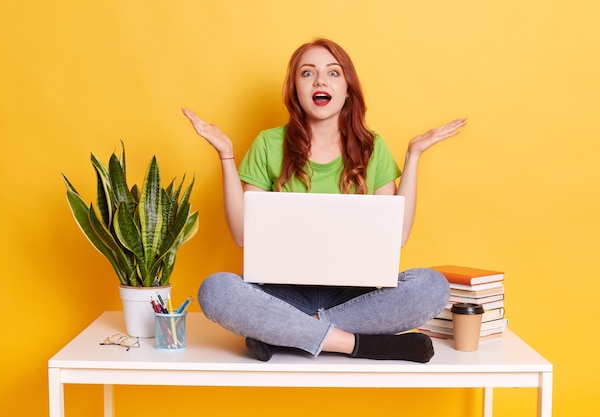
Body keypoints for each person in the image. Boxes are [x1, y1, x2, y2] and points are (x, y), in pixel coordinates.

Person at [182, 38, 466, 362]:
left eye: (333, 73)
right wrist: (226, 156)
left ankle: (285, 335)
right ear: (295, 89)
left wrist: (414, 155)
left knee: (432, 287)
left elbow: (396, 238)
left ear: (348, 89)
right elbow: (243, 236)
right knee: (216, 290)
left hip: (356, 299)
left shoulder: (373, 148)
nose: (320, 81)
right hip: (282, 295)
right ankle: (361, 345)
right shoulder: (268, 144)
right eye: (307, 73)